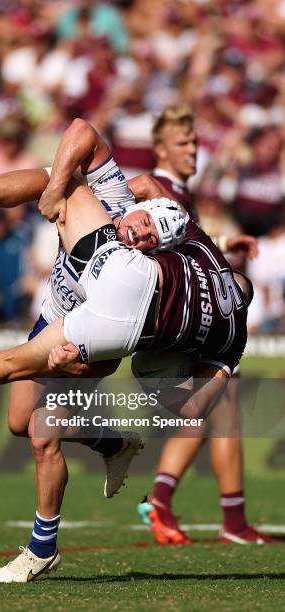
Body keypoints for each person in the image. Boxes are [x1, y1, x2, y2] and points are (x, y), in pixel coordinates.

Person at [0, 119, 250, 583]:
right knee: (19, 420)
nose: (136, 232)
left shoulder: (180, 254)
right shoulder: (188, 251)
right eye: (141, 223)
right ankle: (112, 442)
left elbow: (124, 169)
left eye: (148, 235)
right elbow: (131, 173)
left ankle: (42, 546)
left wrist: (102, 368)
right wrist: (63, 188)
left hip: (107, 315)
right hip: (68, 303)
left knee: (40, 430)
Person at [137, 104, 275, 545]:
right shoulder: (160, 192)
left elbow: (190, 245)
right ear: (161, 148)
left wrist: (222, 242)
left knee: (218, 411)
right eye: (184, 143)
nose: (194, 149)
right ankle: (216, 517)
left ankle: (183, 506)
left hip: (182, 318)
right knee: (216, 406)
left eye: (195, 140)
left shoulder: (178, 193)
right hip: (181, 321)